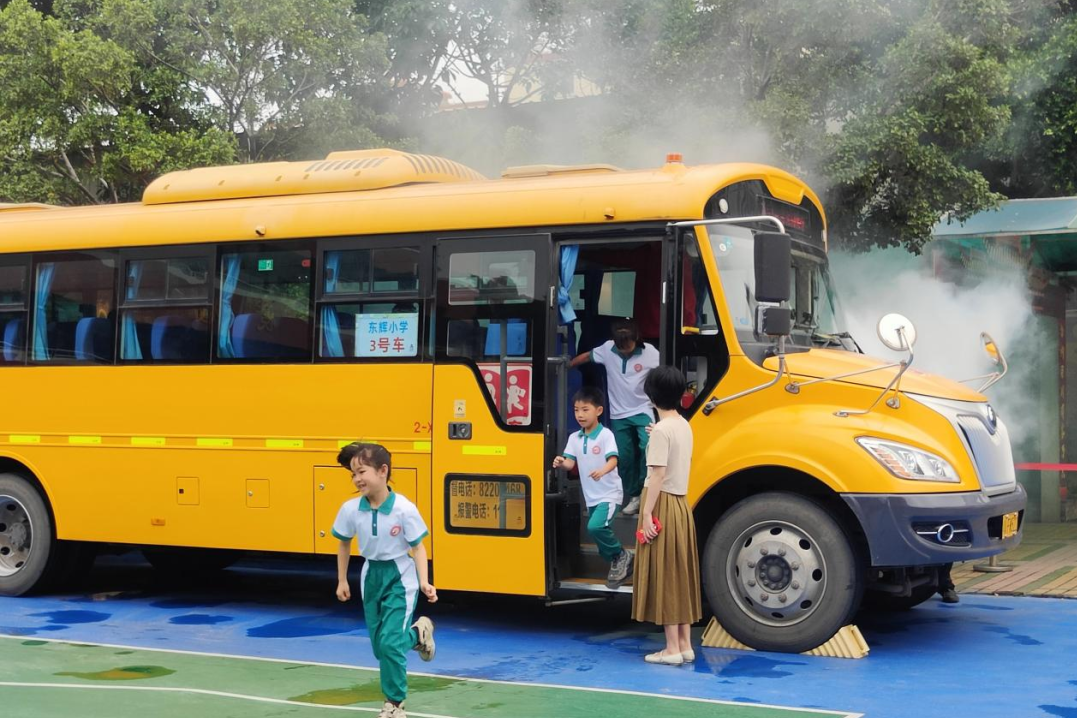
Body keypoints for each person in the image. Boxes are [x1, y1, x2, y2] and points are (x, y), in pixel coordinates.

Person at [333, 442, 437, 718]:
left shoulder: (404, 509)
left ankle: (394, 703)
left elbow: (418, 547)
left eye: (361, 472)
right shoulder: (350, 509)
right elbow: (343, 543)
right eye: (353, 474)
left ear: (382, 471)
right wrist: (342, 580)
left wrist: (425, 582)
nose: (357, 479)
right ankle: (417, 635)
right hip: (371, 576)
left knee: (390, 645)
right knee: (382, 649)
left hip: (400, 577)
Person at [632, 366, 702, 665]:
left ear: (651, 395)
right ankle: (685, 644)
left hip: (661, 504)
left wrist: (647, 513)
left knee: (665, 575)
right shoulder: (683, 425)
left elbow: (657, 475)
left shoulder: (662, 430)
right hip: (681, 504)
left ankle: (671, 648)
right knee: (680, 573)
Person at [571, 318, 659, 516]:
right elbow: (586, 357)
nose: (624, 350)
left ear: (636, 338)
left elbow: (665, 369)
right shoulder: (608, 349)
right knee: (624, 457)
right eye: (620, 346)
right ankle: (635, 496)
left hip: (643, 410)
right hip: (619, 414)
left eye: (627, 346)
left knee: (649, 448)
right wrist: (567, 366)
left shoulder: (651, 353)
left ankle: (647, 493)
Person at [553, 386, 634, 589]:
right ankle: (618, 559)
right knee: (597, 532)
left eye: (585, 409)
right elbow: (570, 464)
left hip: (609, 494)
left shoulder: (605, 435)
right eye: (576, 410)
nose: (580, 414)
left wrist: (603, 470)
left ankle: (621, 555)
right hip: (591, 497)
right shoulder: (574, 438)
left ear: (598, 411)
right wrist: (560, 462)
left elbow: (614, 460)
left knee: (595, 527)